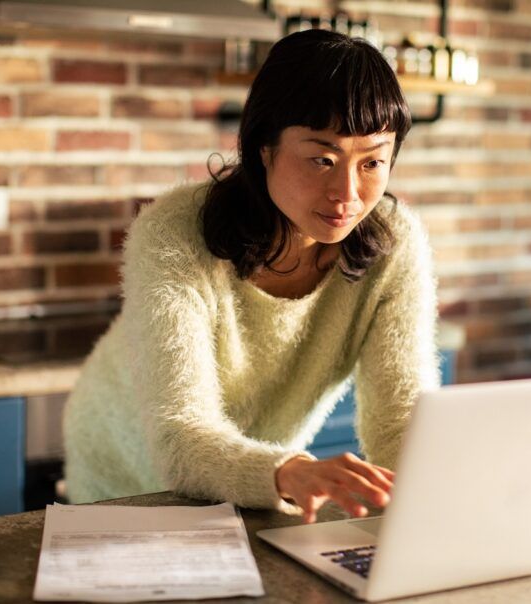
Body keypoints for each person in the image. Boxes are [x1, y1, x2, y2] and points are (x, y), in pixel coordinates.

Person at [63, 29, 440, 524]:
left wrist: (429, 509)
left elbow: (401, 421)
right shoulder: (173, 233)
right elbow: (181, 436)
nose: (347, 193)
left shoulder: (395, 243)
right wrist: (287, 472)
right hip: (125, 468)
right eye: (322, 159)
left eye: (372, 161)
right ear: (264, 148)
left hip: (257, 478)